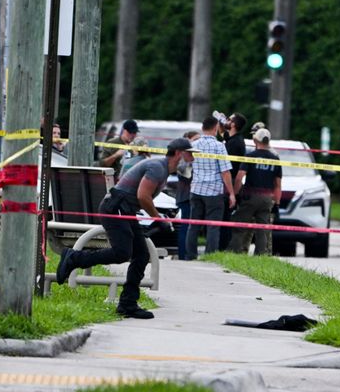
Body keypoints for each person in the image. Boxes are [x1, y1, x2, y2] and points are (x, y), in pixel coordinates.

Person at [55, 138, 195, 319]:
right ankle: (74, 257)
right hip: (116, 207)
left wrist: (160, 216)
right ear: (178, 153)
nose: (191, 159)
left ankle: (128, 304)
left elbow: (141, 198)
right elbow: (143, 196)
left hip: (126, 209)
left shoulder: (163, 170)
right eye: (189, 154)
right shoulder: (157, 167)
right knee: (122, 252)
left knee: (142, 255)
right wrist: (158, 218)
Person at [185, 116, 235, 259]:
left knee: (193, 225)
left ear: (202, 128)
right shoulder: (219, 146)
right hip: (214, 191)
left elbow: (188, 164)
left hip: (196, 189)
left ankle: (190, 256)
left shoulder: (194, 144)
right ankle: (209, 257)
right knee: (213, 226)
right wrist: (231, 193)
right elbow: (225, 172)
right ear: (215, 128)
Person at [229, 127, 282, 255]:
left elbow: (239, 177)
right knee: (262, 229)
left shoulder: (250, 156)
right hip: (267, 198)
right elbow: (278, 185)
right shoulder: (275, 159)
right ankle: (261, 255)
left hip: (250, 196)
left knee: (239, 225)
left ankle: (235, 252)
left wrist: (235, 195)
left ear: (255, 140)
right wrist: (277, 204)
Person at [220, 112, 248, 250]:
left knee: (224, 219)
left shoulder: (236, 143)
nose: (226, 120)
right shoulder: (231, 139)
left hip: (228, 184)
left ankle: (223, 248)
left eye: (229, 119)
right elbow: (223, 134)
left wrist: (233, 193)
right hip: (227, 184)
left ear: (234, 125)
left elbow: (227, 168)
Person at [176, 130, 200, 259]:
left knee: (189, 226)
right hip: (185, 196)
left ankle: (186, 253)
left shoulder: (189, 155)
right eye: (196, 139)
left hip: (187, 195)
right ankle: (184, 254)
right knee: (186, 226)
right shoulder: (184, 157)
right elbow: (187, 174)